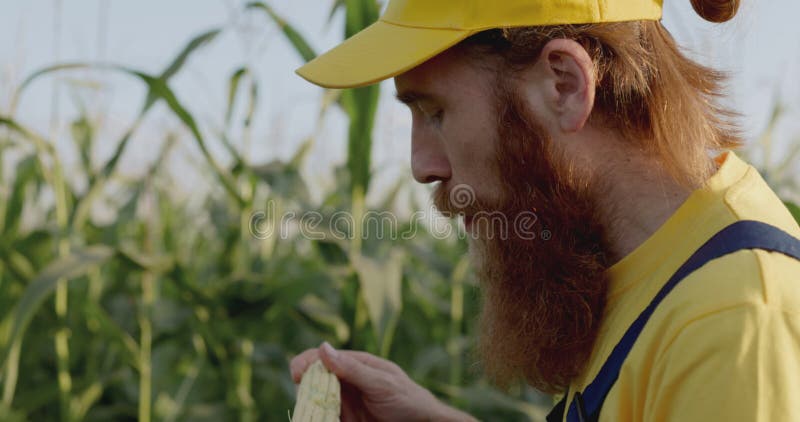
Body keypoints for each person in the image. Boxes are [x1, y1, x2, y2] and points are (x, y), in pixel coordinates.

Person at [289, 0, 800, 420]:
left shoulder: (732, 322)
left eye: (435, 112)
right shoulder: (637, 265)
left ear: (564, 86)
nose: (422, 166)